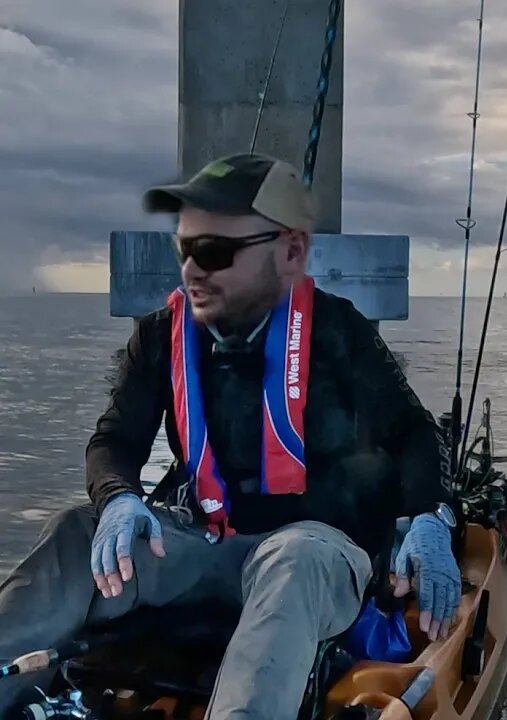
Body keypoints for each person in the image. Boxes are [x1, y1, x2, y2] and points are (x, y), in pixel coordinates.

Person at [0, 153, 461, 719]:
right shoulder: (157, 336)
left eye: (216, 251)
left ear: (287, 252)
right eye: (185, 248)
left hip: (314, 551)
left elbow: (413, 432)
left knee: (294, 558)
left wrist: (431, 522)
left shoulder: (342, 332)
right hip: (201, 543)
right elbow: (114, 441)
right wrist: (118, 498)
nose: (193, 269)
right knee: (75, 530)